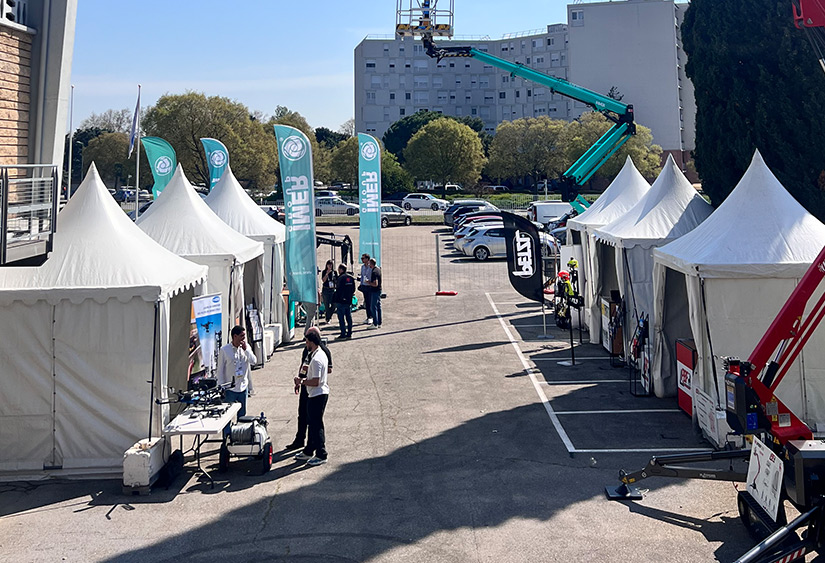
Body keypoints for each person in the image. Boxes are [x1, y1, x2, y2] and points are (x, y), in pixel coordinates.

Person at [285, 326, 332, 451]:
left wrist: (309, 377)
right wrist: (299, 380)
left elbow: (323, 374)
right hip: (307, 387)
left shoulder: (321, 354)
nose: (305, 343)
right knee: (303, 415)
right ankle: (303, 443)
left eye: (307, 340)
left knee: (315, 422)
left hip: (316, 390)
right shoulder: (308, 351)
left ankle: (318, 450)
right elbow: (304, 366)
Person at [293, 329, 330, 466]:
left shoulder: (317, 359)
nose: (306, 344)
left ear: (312, 342)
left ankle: (321, 454)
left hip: (317, 395)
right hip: (314, 394)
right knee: (312, 422)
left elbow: (316, 381)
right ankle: (309, 450)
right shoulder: (313, 354)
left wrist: (301, 382)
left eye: (307, 341)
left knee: (316, 425)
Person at [216, 325, 257, 418]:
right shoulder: (224, 350)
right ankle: (227, 433)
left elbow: (254, 361)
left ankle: (240, 432)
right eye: (242, 336)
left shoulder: (246, 348)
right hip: (230, 389)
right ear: (235, 336)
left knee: (242, 416)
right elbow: (220, 371)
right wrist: (221, 388)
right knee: (226, 416)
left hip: (243, 387)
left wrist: (246, 350)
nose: (243, 339)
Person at [333, 264, 355, 339]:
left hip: (341, 301)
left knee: (341, 318)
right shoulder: (350, 278)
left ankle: (343, 333)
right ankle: (349, 333)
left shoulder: (341, 278)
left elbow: (338, 288)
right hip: (348, 300)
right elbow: (353, 289)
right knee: (349, 317)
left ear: (341, 270)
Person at [320, 260, 338, 324]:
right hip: (326, 290)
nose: (330, 266)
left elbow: (336, 281)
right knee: (326, 305)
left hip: (332, 290)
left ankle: (329, 315)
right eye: (328, 265)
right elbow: (323, 280)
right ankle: (328, 318)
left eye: (331, 265)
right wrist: (327, 273)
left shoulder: (334, 272)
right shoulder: (324, 272)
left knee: (334, 304)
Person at [358, 253, 373, 324]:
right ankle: (368, 316)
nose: (362, 260)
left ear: (367, 259)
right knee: (366, 302)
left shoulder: (371, 267)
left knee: (370, 302)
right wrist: (361, 284)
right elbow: (362, 276)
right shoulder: (362, 267)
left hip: (370, 286)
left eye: (363, 258)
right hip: (364, 286)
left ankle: (371, 317)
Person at [368, 258, 382, 329]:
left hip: (375, 291)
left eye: (369, 263)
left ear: (371, 264)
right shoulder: (378, 269)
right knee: (378, 306)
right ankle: (379, 322)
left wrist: (368, 282)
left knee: (373, 307)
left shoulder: (374, 272)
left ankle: (375, 323)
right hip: (379, 290)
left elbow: (375, 284)